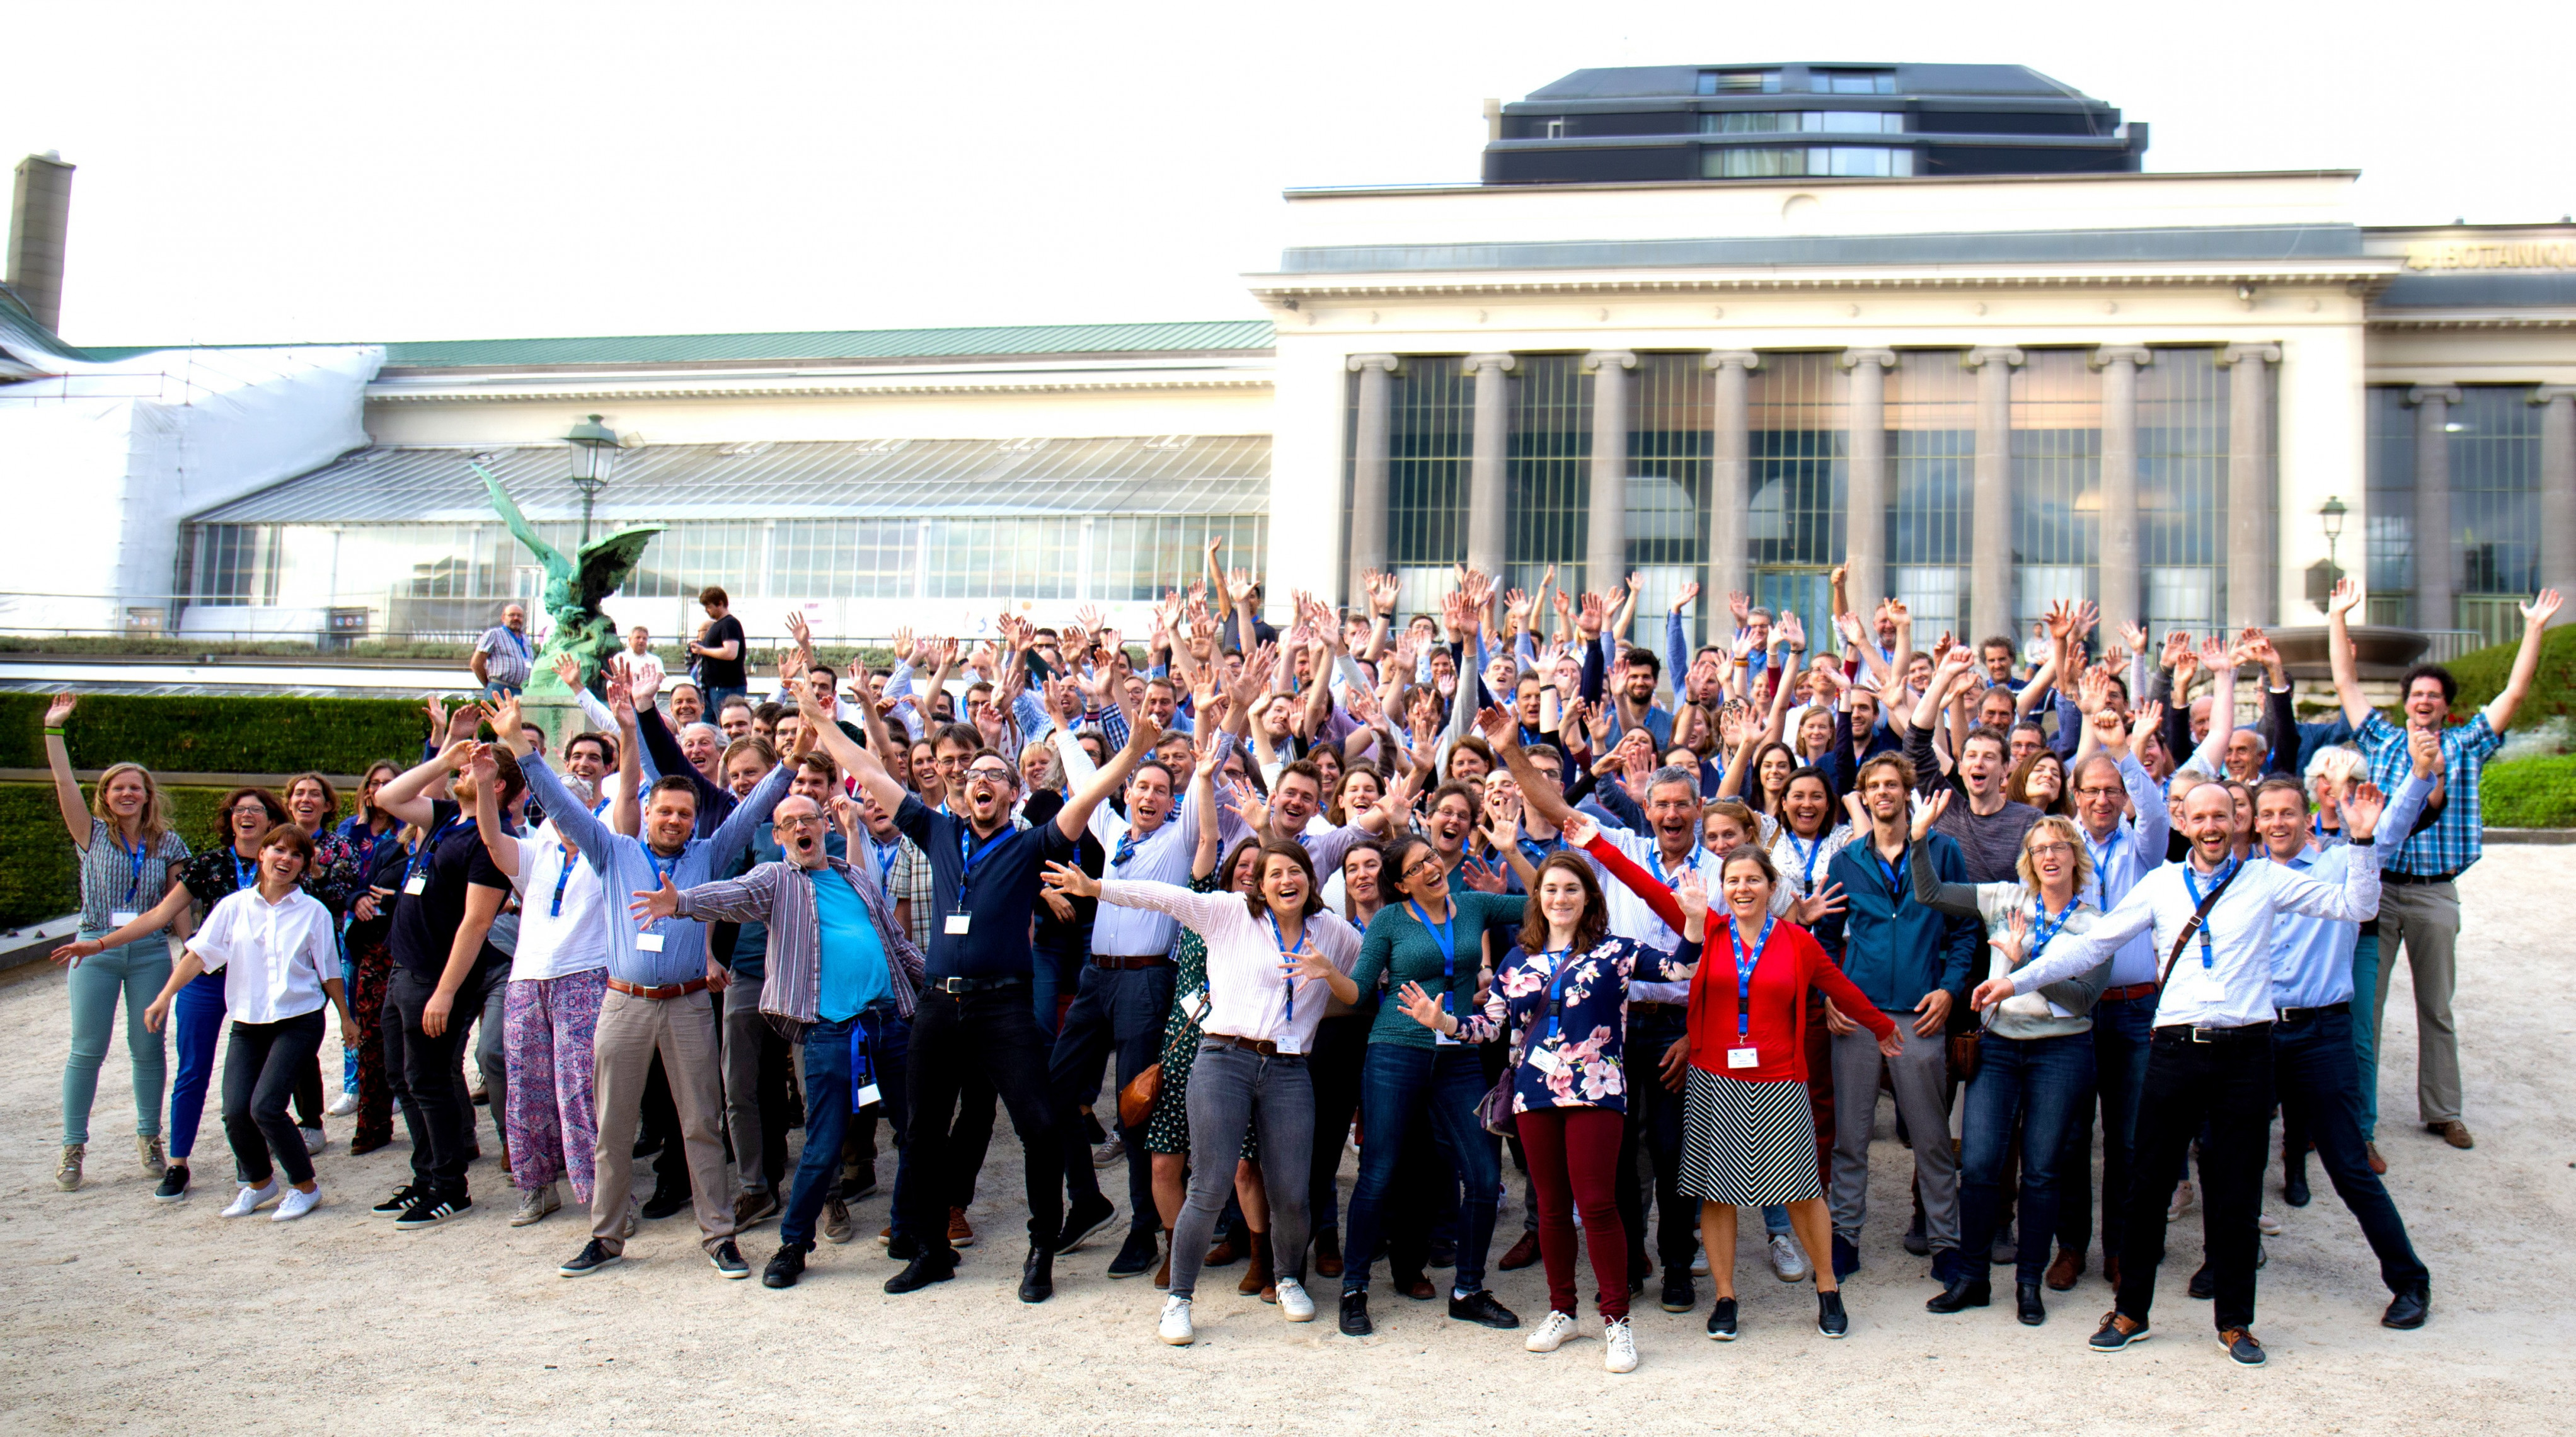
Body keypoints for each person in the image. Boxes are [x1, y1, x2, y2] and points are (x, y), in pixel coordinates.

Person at [1977, 776, 2393, 1367]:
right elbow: (2092, 946)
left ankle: (2235, 1322)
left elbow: (2358, 906)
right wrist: (2017, 980)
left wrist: (2363, 842)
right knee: (2146, 1185)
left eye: (2221, 816)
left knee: (2238, 1190)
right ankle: (2130, 1311)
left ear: (2237, 821)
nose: (2211, 827)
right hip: (2175, 1048)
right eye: (2199, 818)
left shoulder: (2265, 878)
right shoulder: (2161, 883)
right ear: (2183, 824)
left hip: (2246, 1051)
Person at [800, 672, 1157, 1302]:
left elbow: (1088, 796)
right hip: (939, 1003)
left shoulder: (1031, 843)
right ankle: (931, 1249)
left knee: (1039, 1126)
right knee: (921, 1130)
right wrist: (821, 721)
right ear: (961, 792)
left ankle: (1041, 1249)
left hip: (1003, 1007)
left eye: (995, 774)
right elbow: (868, 770)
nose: (981, 780)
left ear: (1013, 792)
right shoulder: (937, 832)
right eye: (972, 776)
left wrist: (1131, 752)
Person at [507, 680, 790, 1281]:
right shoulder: (613, 850)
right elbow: (560, 804)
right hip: (624, 1004)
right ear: (648, 813)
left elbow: (752, 811)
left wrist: (791, 763)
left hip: (687, 1004)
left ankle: (719, 1235)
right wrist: (522, 751)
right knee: (611, 1126)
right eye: (666, 811)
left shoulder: (709, 853)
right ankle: (605, 1236)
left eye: (685, 813)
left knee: (702, 1124)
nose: (675, 820)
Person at [1404, 826, 1700, 1373]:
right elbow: (1488, 1026)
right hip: (1533, 1094)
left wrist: (1696, 920)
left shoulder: (1616, 952)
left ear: (1588, 897)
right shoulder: (1517, 959)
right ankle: (1563, 1309)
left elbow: (1681, 968)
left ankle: (1617, 1321)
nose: (1560, 898)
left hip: (1596, 1093)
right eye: (1550, 889)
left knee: (1599, 1204)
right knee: (1552, 1208)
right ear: (1537, 898)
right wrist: (1441, 1020)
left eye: (1571, 888)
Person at [1047, 836, 1361, 1345]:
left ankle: (1287, 1278)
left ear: (1311, 877)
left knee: (1291, 1192)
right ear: (1260, 884)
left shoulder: (1332, 930)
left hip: (1288, 1068)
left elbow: (1362, 986)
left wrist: (1329, 971)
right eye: (1275, 873)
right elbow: (1161, 896)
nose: (1287, 880)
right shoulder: (1230, 912)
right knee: (1210, 1185)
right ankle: (1180, 1299)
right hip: (1223, 1058)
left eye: (1296, 871)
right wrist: (1096, 888)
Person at [636, 789, 926, 1291]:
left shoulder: (856, 877)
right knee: (823, 1144)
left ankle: (906, 1230)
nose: (800, 828)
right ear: (778, 836)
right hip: (832, 1031)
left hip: (888, 1022)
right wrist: (680, 902)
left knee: (915, 1132)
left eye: (808, 819)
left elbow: (896, 944)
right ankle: (793, 1244)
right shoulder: (776, 879)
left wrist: (940, 983)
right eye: (788, 823)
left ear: (825, 826)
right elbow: (731, 895)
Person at [2326, 580, 2562, 1152]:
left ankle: (2443, 1110)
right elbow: (2346, 682)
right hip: (2378, 890)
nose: (2424, 701)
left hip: (2435, 891)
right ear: (2405, 701)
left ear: (2445, 705)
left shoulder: (2466, 744)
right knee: (2364, 1010)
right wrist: (2337, 617)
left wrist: (2533, 629)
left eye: (2433, 695)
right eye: (2417, 694)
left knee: (2437, 1007)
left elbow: (2514, 691)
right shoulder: (2382, 740)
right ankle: (2358, 1120)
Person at [1658, 840, 1898, 1340]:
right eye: (1733, 880)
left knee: (1801, 1190)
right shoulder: (1708, 931)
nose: (1742, 888)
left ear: (1772, 886)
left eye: (1753, 879)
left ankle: (1828, 1287)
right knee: (1718, 1193)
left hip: (1780, 1080)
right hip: (1715, 1079)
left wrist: (1880, 1025)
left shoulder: (1797, 941)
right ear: (1723, 889)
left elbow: (1840, 986)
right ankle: (1726, 1296)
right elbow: (1644, 888)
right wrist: (1595, 843)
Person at [1907, 796, 2116, 1325]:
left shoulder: (2095, 923)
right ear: (2029, 858)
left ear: (2075, 856)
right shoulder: (2006, 898)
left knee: (2041, 1170)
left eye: (2059, 847)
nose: (2049, 855)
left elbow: (2083, 999)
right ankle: (1973, 1277)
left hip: (2061, 1051)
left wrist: (2029, 964)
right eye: (2039, 848)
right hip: (2000, 1046)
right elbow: (1930, 892)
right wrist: (1919, 837)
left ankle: (2028, 1283)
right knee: (1979, 1164)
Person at [2252, 736, 2437, 1330]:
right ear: (2255, 823)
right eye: (2267, 814)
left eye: (2288, 812)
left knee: (2349, 1164)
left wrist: (2420, 773)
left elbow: (2389, 830)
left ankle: (2410, 1280)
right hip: (2257, 1034)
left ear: (2307, 816)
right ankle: (2228, 1259)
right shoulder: (2246, 877)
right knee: (2236, 1154)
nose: (2278, 822)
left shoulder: (2340, 863)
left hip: (2321, 1034)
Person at [60, 786, 292, 1205]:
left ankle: (251, 1158)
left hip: (258, 982)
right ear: (229, 819)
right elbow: (160, 914)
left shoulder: (283, 863)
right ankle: (178, 1163)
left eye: (256, 810)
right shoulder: (209, 864)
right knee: (192, 1071)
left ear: (272, 820)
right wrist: (100, 944)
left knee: (254, 1074)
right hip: (207, 978)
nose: (246, 816)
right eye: (239, 809)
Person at [1338, 833, 1529, 1337]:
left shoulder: (1473, 905)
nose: (1431, 866)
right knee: (1379, 1171)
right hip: (1396, 1049)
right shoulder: (1390, 920)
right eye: (1417, 865)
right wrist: (1324, 972)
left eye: (1431, 857)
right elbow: (1358, 990)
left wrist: (1512, 852)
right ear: (1402, 884)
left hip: (1458, 1054)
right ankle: (1354, 1289)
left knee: (1484, 1174)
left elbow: (1541, 901)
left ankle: (1468, 1290)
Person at [1810, 753, 1981, 1283]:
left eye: (1892, 784)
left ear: (1908, 791)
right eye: (1874, 785)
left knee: (1930, 1135)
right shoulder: (1846, 860)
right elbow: (1825, 938)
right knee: (1851, 1134)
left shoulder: (1943, 851)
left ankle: (1945, 1242)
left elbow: (1965, 931)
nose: (1883, 792)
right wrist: (1830, 994)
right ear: (1863, 796)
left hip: (1919, 1012)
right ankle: (1845, 1236)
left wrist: (1950, 990)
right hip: (1858, 1012)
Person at [141, 822, 356, 1223]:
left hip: (299, 1020)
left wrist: (346, 1018)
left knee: (267, 1107)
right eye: (278, 850)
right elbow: (198, 954)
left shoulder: (314, 912)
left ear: (304, 865)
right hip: (248, 1022)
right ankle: (259, 1183)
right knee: (236, 1110)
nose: (285, 859)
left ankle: (305, 1187)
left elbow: (329, 971)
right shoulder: (233, 906)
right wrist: (164, 996)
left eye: (296, 855)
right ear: (262, 854)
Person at [367, 730, 520, 1230]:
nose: (461, 770)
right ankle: (427, 1173)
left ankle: (450, 1185)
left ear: (496, 782)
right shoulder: (445, 818)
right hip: (405, 968)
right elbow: (388, 797)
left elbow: (477, 921)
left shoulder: (491, 841)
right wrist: (445, 757)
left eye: (472, 766)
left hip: (435, 976)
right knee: (403, 1077)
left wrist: (447, 991)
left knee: (429, 1080)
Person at [41, 692, 190, 1195]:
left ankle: (150, 1136)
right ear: (105, 796)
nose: (127, 794)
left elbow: (179, 901)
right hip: (93, 948)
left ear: (148, 796)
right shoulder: (92, 834)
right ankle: (73, 1145)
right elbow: (64, 782)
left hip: (148, 951)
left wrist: (190, 947)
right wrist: (54, 730)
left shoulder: (169, 842)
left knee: (148, 1046)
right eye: (118, 787)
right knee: (87, 1048)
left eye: (135, 788)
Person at [2049, 704, 2172, 1293]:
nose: (2102, 799)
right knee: (2072, 1134)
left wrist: (2125, 750)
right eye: (2092, 790)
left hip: (2132, 1006)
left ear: (2125, 796)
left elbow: (2155, 813)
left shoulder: (2146, 849)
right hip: (2076, 1007)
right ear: (2075, 795)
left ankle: (2122, 1249)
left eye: (2112, 790)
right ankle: (2071, 1246)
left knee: (2128, 1137)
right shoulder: (2058, 847)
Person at [463, 746, 612, 1228]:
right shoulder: (535, 850)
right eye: (552, 805)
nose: (561, 814)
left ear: (588, 808)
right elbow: (492, 838)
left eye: (570, 805)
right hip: (527, 978)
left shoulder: (605, 848)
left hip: (584, 975)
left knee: (579, 1091)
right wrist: (484, 783)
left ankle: (603, 1197)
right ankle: (537, 1186)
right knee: (526, 1088)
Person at [688, 587, 749, 712]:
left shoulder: (729, 624)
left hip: (726, 687)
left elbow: (730, 653)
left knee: (726, 720)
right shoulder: (719, 624)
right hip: (715, 687)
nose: (707, 610)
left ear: (720, 603)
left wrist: (702, 650)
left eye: (709, 606)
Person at [473, 602, 536, 699]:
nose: (516, 618)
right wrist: (488, 684)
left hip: (521, 690)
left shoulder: (526, 639)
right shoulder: (494, 634)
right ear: (503, 618)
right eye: (512, 615)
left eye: (519, 616)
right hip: (500, 688)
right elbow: (476, 663)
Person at [623, 626, 667, 696]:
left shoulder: (655, 660)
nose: (641, 641)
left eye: (644, 639)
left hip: (648, 701)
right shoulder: (620, 658)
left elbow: (660, 676)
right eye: (638, 638)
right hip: (626, 699)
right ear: (630, 640)